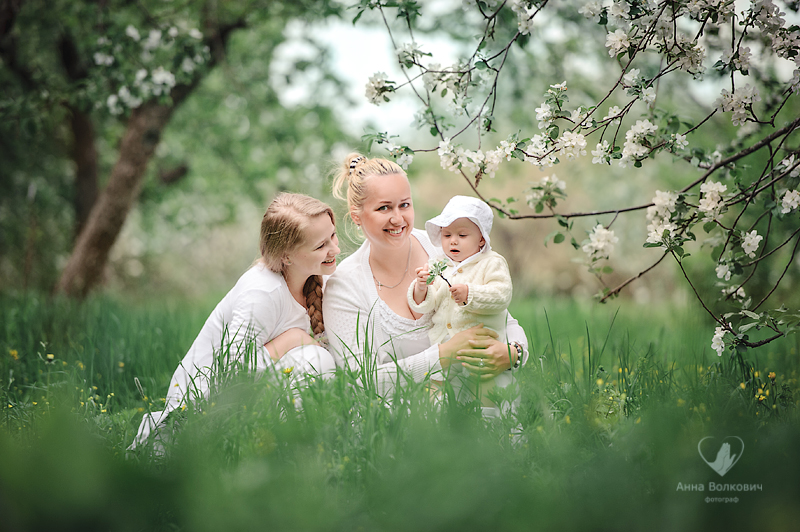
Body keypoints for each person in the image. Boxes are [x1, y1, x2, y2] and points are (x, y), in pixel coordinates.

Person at [130, 193, 340, 450]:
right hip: (207, 405)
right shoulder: (263, 292)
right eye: (320, 246)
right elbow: (233, 372)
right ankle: (287, 449)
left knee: (319, 360)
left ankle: (303, 444)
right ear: (287, 256)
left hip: (258, 396)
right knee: (315, 359)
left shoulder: (321, 280)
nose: (335, 249)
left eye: (333, 236)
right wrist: (293, 338)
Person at [323, 153, 527, 409]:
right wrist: (444, 354)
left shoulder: (444, 247)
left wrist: (514, 352)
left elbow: (501, 316)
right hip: (402, 413)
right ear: (357, 215)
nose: (398, 218)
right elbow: (362, 379)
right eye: (384, 208)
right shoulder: (344, 286)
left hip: (476, 395)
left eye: (404, 205)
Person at [408, 195, 514, 407]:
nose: (453, 241)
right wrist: (421, 288)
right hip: (443, 344)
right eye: (447, 235)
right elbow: (429, 304)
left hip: (479, 346)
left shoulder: (491, 262)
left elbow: (502, 295)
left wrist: (470, 294)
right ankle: (436, 420)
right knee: (436, 387)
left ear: (481, 239)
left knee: (484, 389)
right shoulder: (439, 265)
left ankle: (489, 421)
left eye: (462, 235)